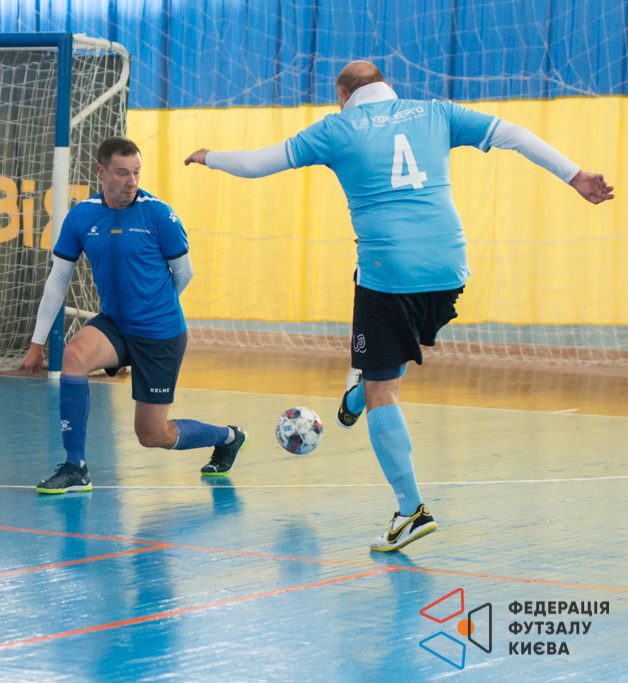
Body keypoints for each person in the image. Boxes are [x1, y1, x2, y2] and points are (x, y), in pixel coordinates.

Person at [186, 61, 614, 551]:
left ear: (342, 95)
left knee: (382, 391)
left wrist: (209, 156)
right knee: (383, 355)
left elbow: (258, 163)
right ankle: (355, 396)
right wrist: (575, 175)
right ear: (388, 85)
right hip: (449, 268)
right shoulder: (436, 112)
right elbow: (514, 135)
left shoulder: (337, 128)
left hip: (390, 273)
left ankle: (410, 511)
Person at [21, 136, 247, 494]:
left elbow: (184, 273)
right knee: (73, 356)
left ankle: (228, 437)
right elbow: (58, 279)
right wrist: (37, 343)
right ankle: (76, 467)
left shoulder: (159, 214)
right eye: (123, 173)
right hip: (115, 324)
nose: (132, 181)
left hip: (160, 333)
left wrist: (153, 306)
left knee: (152, 435)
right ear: (101, 171)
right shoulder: (81, 216)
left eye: (137, 172)